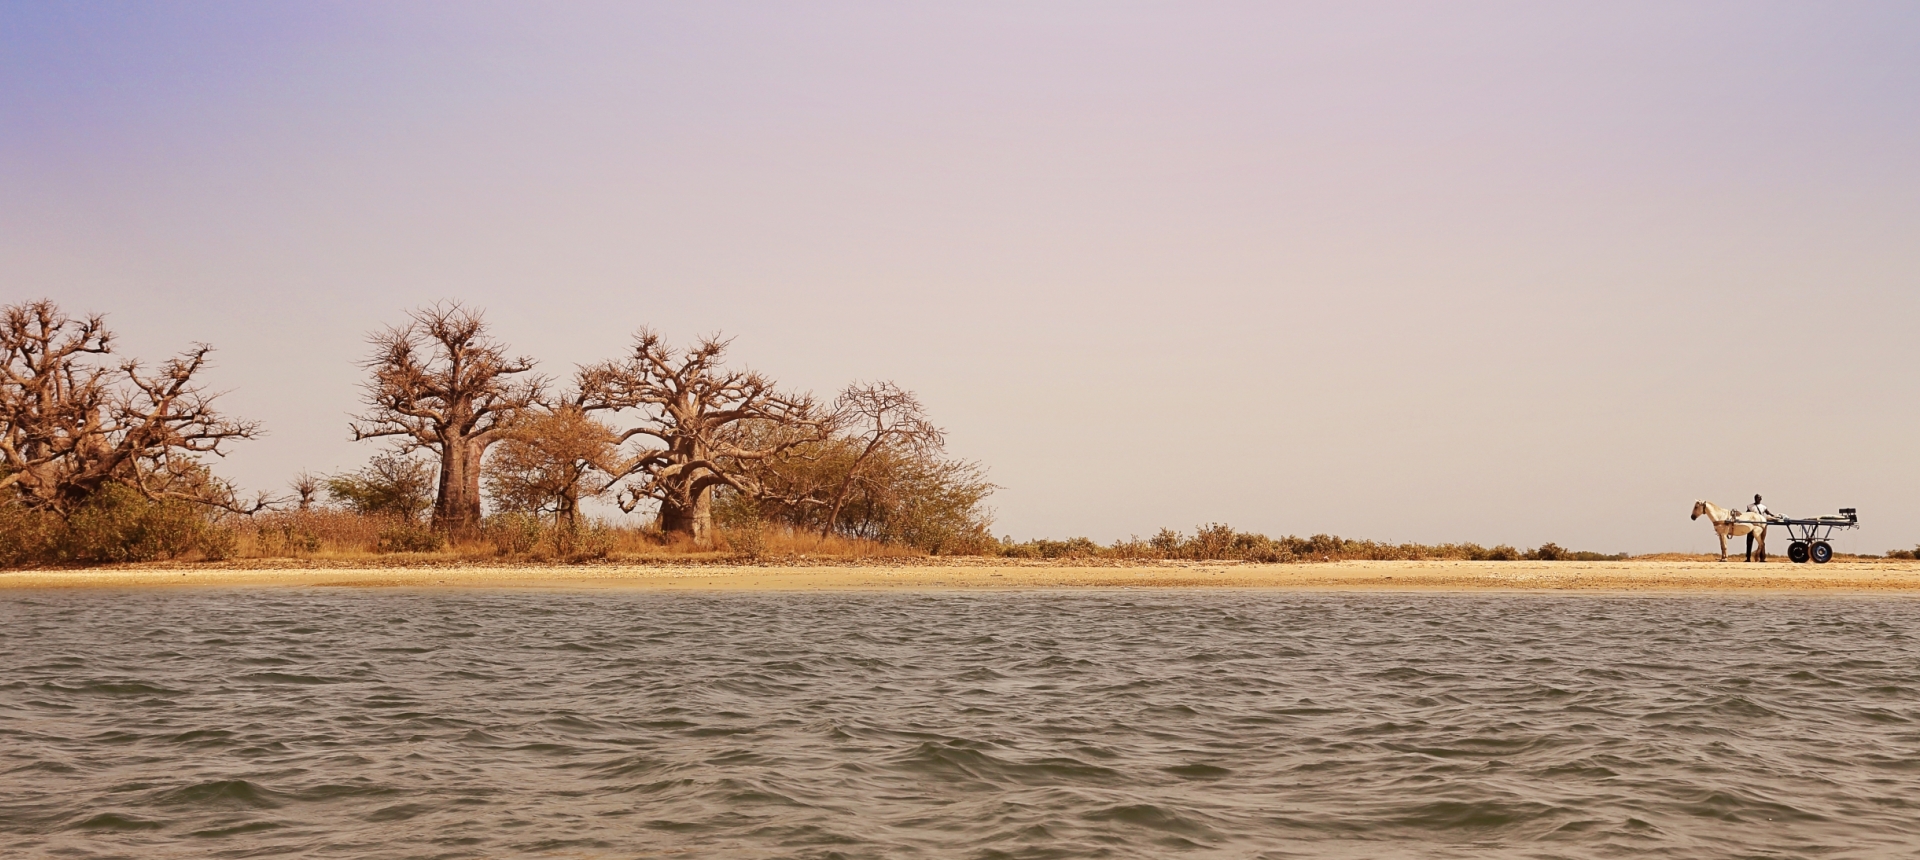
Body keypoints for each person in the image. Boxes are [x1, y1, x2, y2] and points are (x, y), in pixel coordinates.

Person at [1744, 494, 1777, 561]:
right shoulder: (1750, 506)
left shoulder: (1763, 507)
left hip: (1761, 526)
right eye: (1756, 498)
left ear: (1760, 499)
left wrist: (1775, 516)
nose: (1757, 499)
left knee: (1761, 542)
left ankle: (1762, 558)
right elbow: (1746, 514)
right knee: (1749, 541)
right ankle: (1748, 558)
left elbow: (1768, 513)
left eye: (1758, 498)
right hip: (1752, 525)